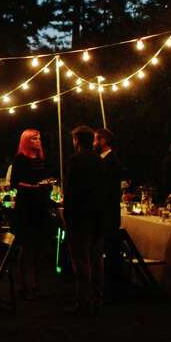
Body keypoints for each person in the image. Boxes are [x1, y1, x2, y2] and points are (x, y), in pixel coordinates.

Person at [64, 126, 105, 316]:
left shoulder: (75, 160)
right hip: (97, 214)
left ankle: (83, 301)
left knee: (80, 259)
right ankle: (97, 297)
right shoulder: (99, 160)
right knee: (96, 258)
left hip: (80, 215)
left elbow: (71, 191)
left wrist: (67, 214)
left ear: (77, 141)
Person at [10, 129, 54, 300]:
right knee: (26, 247)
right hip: (26, 206)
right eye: (34, 138)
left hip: (41, 206)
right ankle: (24, 285)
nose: (38, 141)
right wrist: (33, 187)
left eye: (39, 138)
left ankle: (36, 284)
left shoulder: (42, 159)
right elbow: (15, 183)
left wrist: (48, 184)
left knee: (39, 247)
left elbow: (48, 177)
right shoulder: (20, 159)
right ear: (27, 141)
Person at [94, 128, 126, 303]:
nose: (93, 144)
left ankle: (114, 287)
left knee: (111, 248)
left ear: (103, 141)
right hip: (105, 210)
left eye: (95, 140)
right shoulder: (103, 159)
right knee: (106, 247)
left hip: (109, 211)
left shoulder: (112, 159)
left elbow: (109, 187)